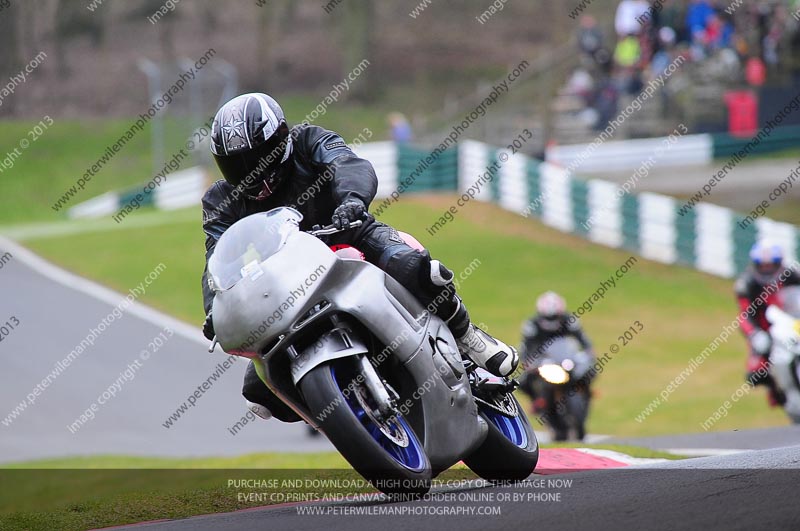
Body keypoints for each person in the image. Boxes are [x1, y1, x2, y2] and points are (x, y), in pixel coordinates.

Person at [200, 92, 519, 420]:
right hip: (288, 280)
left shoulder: (308, 140)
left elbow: (348, 164)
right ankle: (345, 417)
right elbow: (218, 257)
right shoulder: (220, 200)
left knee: (418, 270)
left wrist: (351, 200)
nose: (250, 172)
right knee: (260, 390)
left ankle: (468, 337)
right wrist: (215, 309)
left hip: (351, 234)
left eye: (256, 159)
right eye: (236, 164)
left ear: (280, 140)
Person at [734, 241, 800, 406]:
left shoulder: (792, 275)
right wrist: (754, 334)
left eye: (771, 264)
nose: (767, 269)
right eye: (763, 265)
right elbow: (744, 315)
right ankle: (777, 393)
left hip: (792, 323)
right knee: (756, 373)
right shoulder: (746, 283)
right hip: (764, 329)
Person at [519, 291, 594, 367]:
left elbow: (582, 337)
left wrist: (589, 351)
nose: (551, 322)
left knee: (586, 367)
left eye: (554, 317)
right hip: (542, 360)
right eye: (548, 318)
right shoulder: (532, 325)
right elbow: (525, 346)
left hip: (566, 358)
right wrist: (527, 362)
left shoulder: (570, 320)